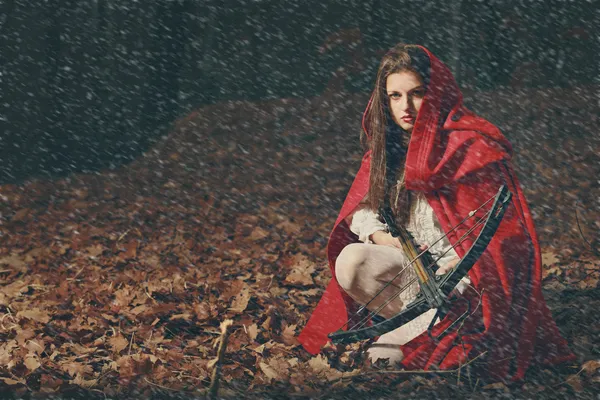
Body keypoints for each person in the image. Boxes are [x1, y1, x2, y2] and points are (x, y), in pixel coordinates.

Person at [297, 44, 575, 382]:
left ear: (436, 93)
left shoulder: (470, 146)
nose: (406, 107)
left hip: (467, 285)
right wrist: (384, 238)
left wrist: (461, 266)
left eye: (417, 94)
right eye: (395, 96)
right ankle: (418, 326)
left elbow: (505, 240)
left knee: (381, 358)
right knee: (351, 260)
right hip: (411, 274)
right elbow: (364, 209)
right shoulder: (388, 148)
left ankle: (443, 331)